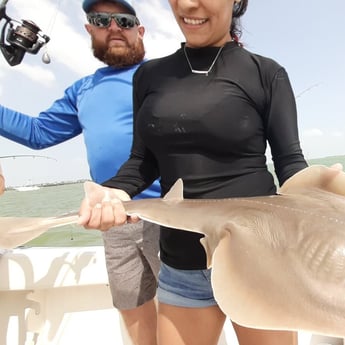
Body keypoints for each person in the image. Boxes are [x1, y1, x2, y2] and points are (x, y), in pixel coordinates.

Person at [78, 0, 308, 344]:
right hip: (181, 267)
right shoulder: (149, 76)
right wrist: (114, 192)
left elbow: (291, 165)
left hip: (259, 262)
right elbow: (142, 160)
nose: (187, 4)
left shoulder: (266, 73)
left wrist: (338, 215)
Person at [0, 1, 160, 344]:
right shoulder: (82, 90)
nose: (114, 26)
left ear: (140, 30)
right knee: (133, 309)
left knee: (188, 308)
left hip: (168, 212)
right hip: (110, 217)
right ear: (90, 30)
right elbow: (37, 133)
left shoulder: (166, 75)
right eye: (101, 20)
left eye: (124, 20)